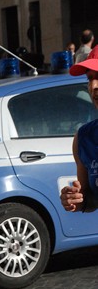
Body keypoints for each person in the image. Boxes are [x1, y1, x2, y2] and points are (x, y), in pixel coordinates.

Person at [60, 45, 98, 213]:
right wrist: (76, 200)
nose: (93, 85)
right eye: (89, 78)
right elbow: (90, 199)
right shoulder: (84, 137)